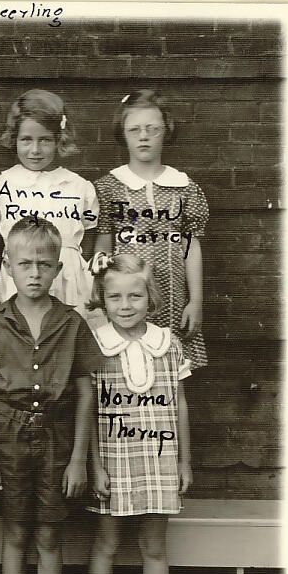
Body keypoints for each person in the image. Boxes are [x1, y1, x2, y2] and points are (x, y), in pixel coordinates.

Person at [0, 217, 101, 574]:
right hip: (7, 440)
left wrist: (78, 459)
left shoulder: (71, 323)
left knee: (49, 534)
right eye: (25, 264)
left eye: (44, 265)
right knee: (15, 533)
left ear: (58, 268)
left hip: (57, 438)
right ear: (8, 266)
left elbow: (85, 391)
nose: (34, 273)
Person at [86, 253, 193, 574]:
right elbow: (87, 409)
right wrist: (95, 464)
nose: (125, 305)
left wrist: (184, 461)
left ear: (151, 298)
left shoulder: (168, 344)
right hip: (113, 459)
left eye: (135, 296)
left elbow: (180, 404)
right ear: (103, 299)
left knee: (154, 545)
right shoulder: (95, 344)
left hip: (159, 458)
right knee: (107, 543)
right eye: (115, 297)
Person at [93, 89, 209, 370]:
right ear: (123, 133)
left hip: (172, 297)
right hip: (126, 297)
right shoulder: (109, 187)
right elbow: (102, 248)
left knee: (169, 368)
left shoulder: (184, 187)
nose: (143, 136)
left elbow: (190, 247)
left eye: (152, 129)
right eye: (134, 129)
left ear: (166, 131)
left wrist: (195, 301)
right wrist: (100, 298)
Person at [0, 89, 96, 318]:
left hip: (69, 279)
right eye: (26, 140)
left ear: (59, 140)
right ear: (14, 139)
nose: (35, 150)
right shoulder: (1, 186)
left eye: (45, 140)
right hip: (20, 279)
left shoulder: (79, 186)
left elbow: (88, 240)